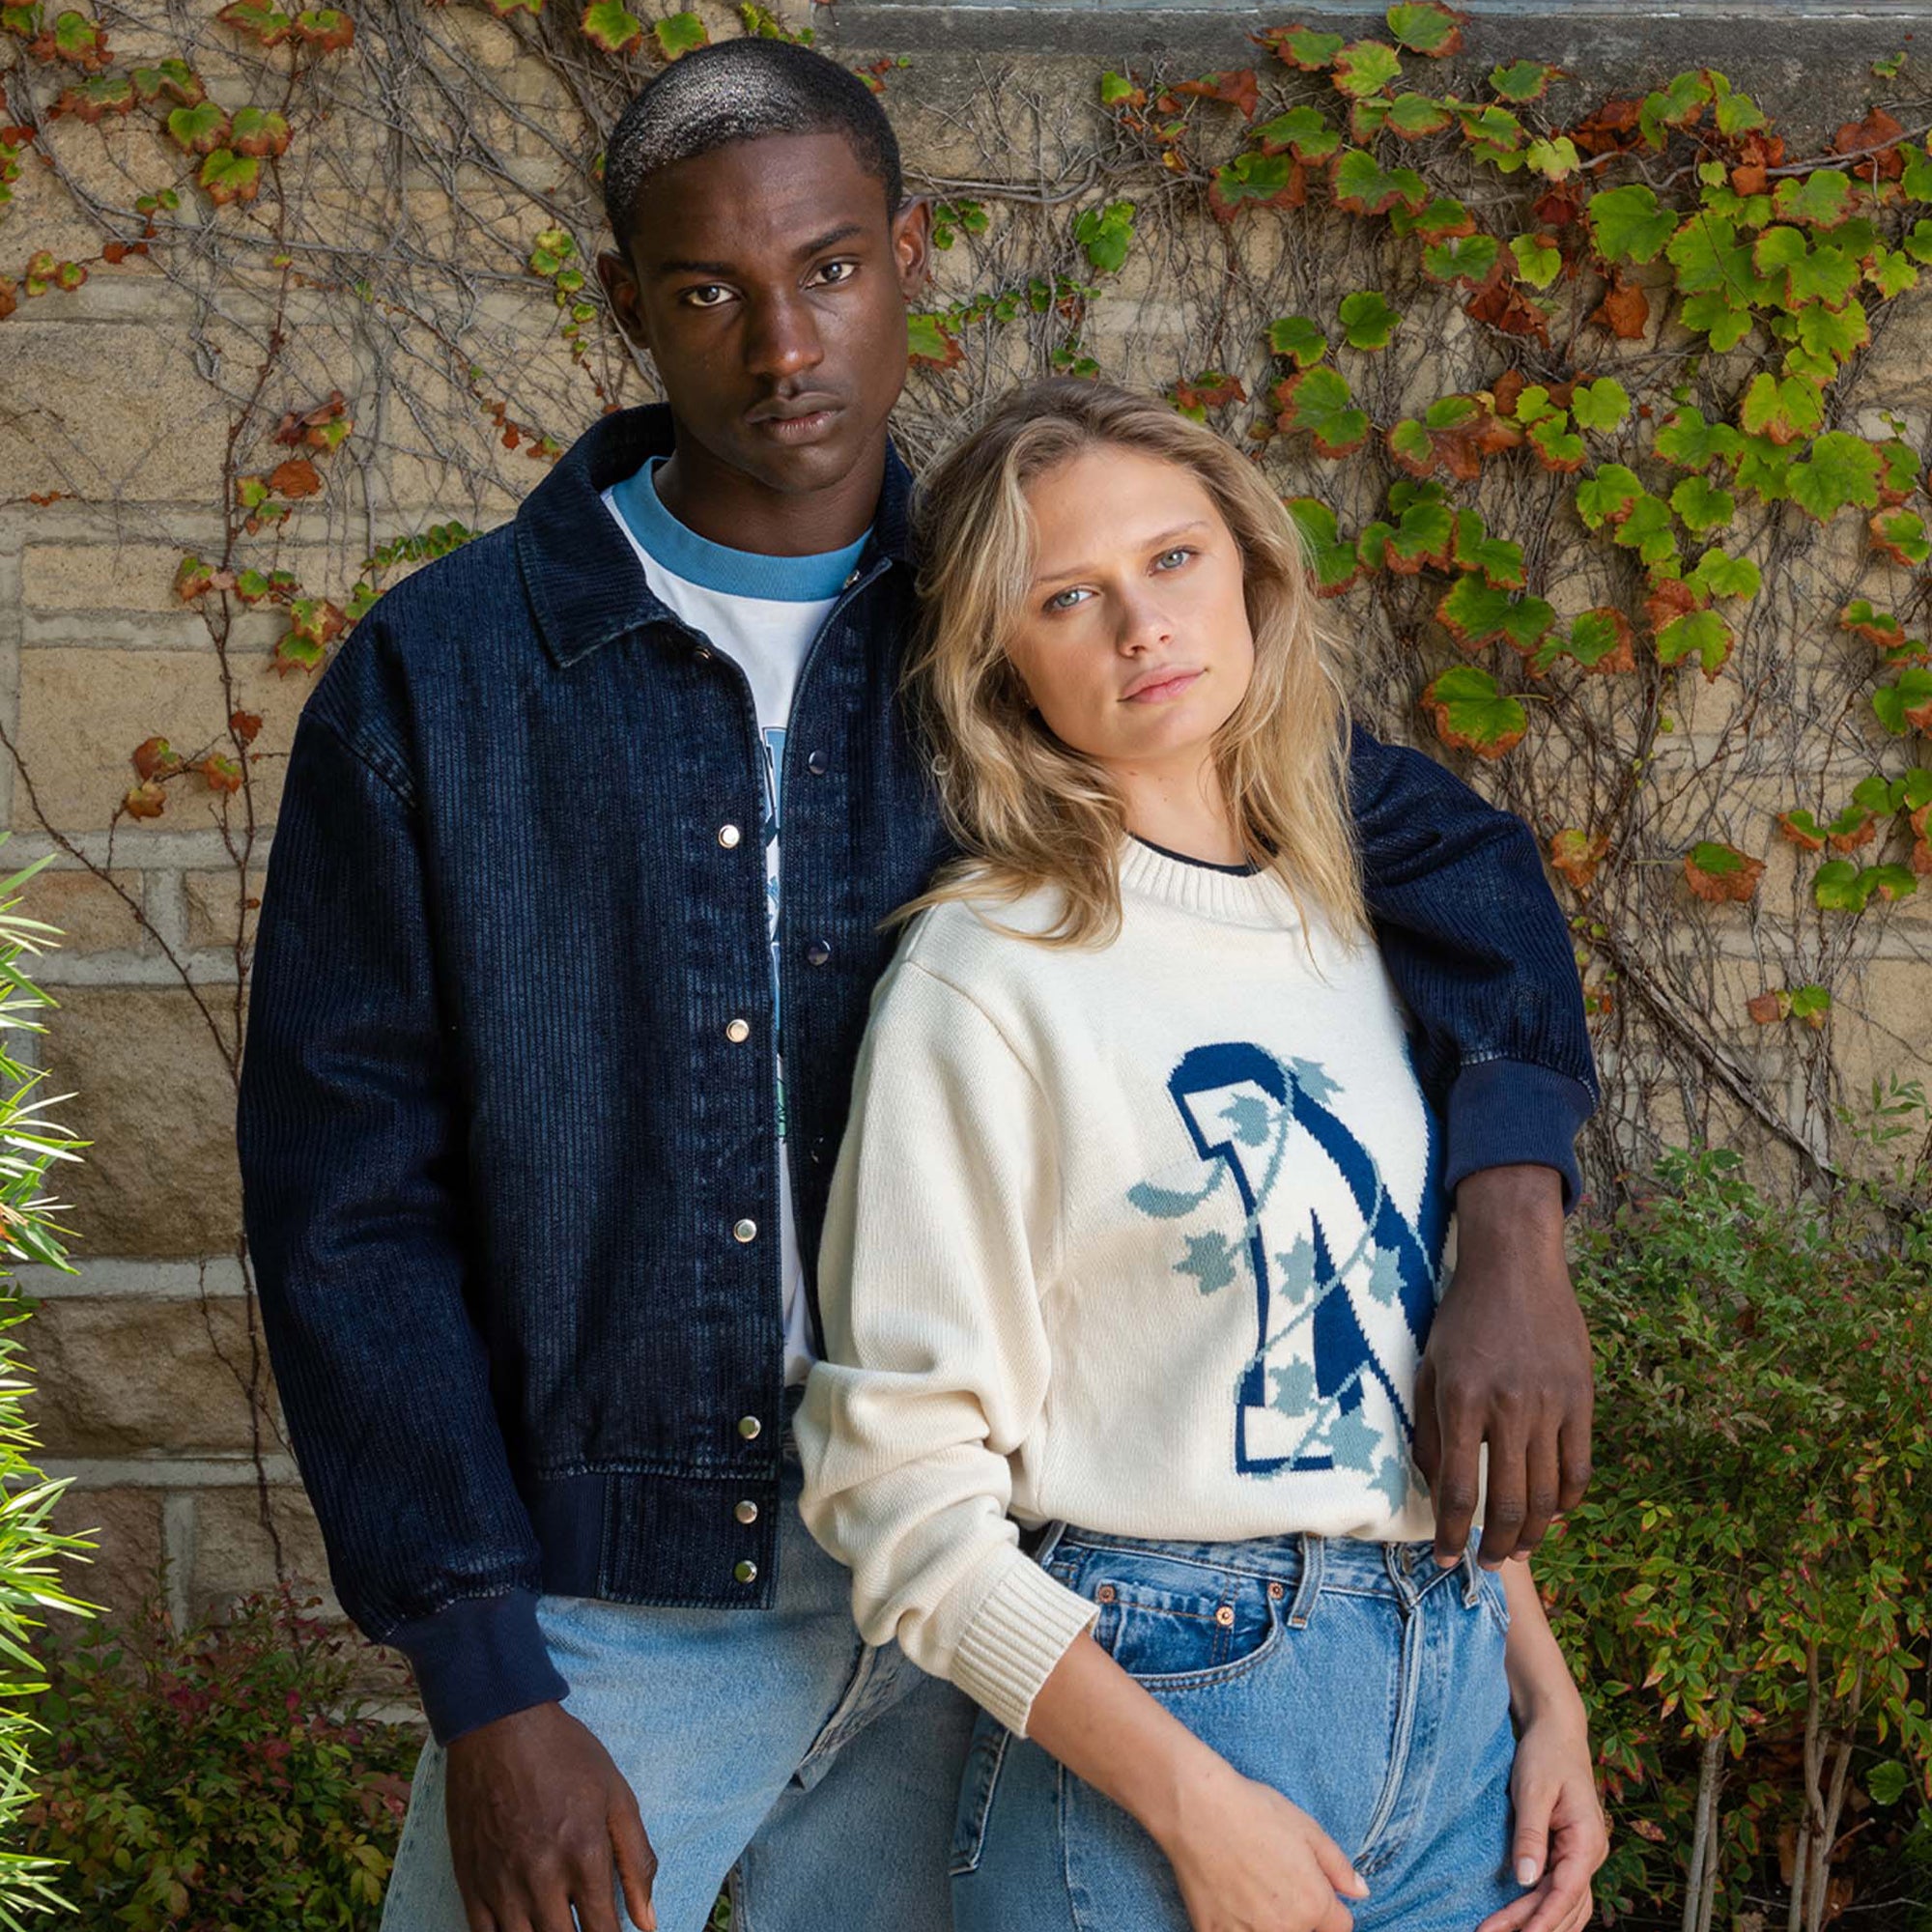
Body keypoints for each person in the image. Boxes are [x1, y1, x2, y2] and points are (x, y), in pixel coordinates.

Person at [236, 38, 1598, 1932]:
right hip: (637, 1598)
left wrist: (1513, 1222)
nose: (785, 348)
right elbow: (348, 1210)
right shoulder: (448, 679)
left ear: (909, 255)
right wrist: (487, 1678)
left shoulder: (1022, 621)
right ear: (626, 301)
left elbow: (1443, 865)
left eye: (829, 270)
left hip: (1031, 1595)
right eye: (707, 291)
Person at [795, 378, 1609, 1932]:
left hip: (1454, 1724)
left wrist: (1541, 1694)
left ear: (1251, 567)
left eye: (1172, 560)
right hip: (1159, 1736)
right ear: (999, 662)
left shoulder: (1364, 920)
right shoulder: (990, 974)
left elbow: (1376, 1351)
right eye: (1066, 598)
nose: (1141, 627)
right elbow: (898, 1495)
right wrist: (1188, 1804)